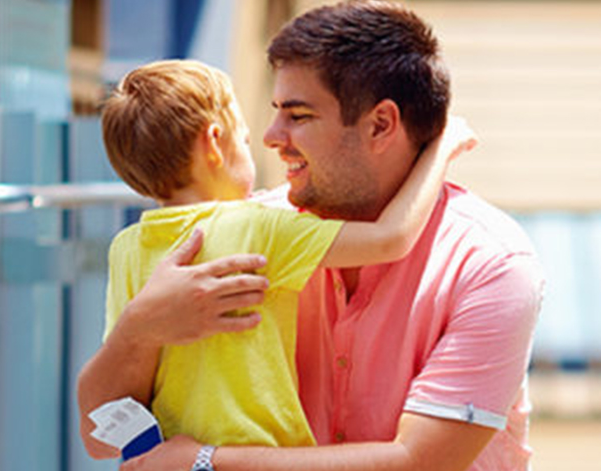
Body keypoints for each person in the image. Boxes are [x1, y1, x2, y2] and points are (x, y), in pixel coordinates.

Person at [92, 2, 545, 470]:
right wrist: (138, 329)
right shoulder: (249, 231)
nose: (271, 136)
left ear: (381, 125)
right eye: (274, 113)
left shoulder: (490, 265)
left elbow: (421, 462)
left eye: (299, 115)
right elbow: (98, 435)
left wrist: (207, 462)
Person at [75, 59, 471, 455]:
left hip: (168, 455)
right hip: (256, 453)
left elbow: (119, 395)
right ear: (214, 142)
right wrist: (440, 150)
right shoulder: (259, 229)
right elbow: (391, 238)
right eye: (244, 140)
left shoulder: (127, 247)